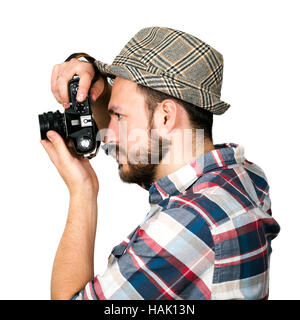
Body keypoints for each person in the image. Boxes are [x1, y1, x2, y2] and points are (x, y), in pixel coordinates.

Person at [41, 26, 280, 300]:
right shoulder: (244, 177)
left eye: (119, 117)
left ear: (166, 118)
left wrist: (82, 191)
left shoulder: (190, 219)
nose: (109, 134)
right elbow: (146, 156)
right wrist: (97, 91)